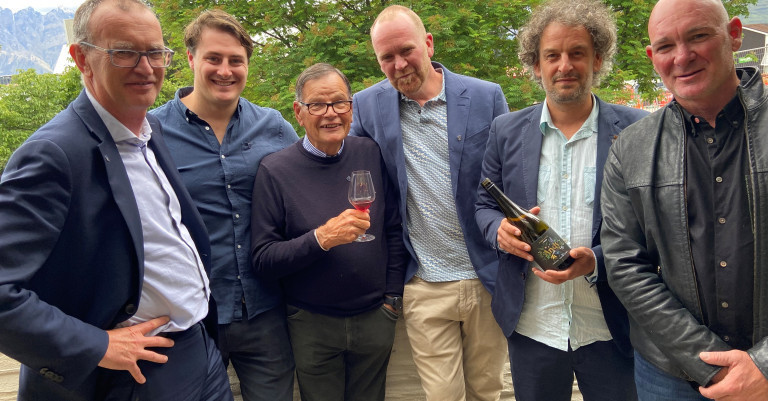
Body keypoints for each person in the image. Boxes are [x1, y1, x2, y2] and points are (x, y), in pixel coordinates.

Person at [0, 0, 233, 399]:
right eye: (124, 53)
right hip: (134, 372)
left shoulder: (148, 129)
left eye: (156, 52)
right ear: (82, 59)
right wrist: (97, 345)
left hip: (200, 349)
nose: (146, 68)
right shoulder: (55, 153)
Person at [474, 0, 647, 399]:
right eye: (552, 55)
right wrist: (496, 230)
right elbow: (482, 205)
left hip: (611, 326)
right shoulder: (506, 130)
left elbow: (654, 224)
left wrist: (598, 260)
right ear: (536, 64)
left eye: (577, 53)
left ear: (598, 59)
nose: (564, 65)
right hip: (533, 326)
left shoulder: (638, 129)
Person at [600, 0, 768, 399]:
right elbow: (624, 264)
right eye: (665, 46)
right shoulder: (631, 148)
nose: (682, 57)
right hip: (669, 375)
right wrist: (706, 362)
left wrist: (762, 364)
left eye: (698, 36)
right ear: (651, 56)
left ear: (733, 34)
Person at [349, 6, 510, 400]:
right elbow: (349, 170)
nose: (399, 64)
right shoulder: (367, 106)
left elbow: (511, 177)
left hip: (486, 275)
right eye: (387, 57)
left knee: (490, 391)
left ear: (428, 43)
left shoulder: (486, 96)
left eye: (406, 50)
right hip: (423, 282)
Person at [150, 10, 298, 401]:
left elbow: (304, 193)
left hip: (266, 312)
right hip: (190, 319)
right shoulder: (151, 132)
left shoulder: (274, 126)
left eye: (236, 60)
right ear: (190, 59)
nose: (225, 70)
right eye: (213, 58)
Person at [250, 63, 407, 401]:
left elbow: (393, 229)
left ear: (351, 108)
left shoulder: (369, 152)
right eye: (317, 105)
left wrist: (392, 299)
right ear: (298, 112)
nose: (330, 114)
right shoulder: (275, 171)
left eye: (339, 103)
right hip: (312, 324)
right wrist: (321, 239)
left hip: (375, 318)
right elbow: (263, 260)